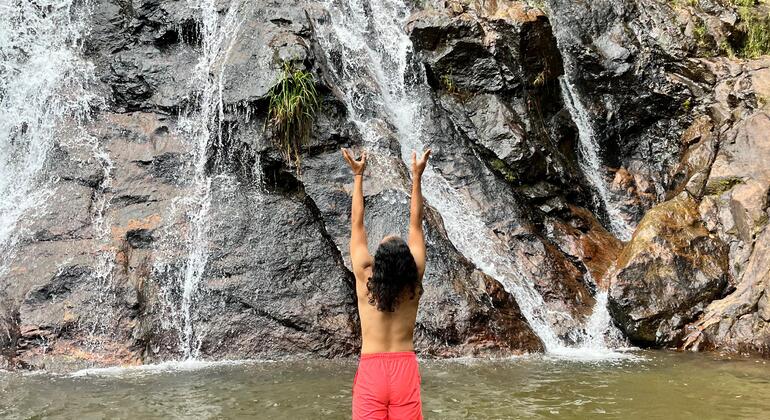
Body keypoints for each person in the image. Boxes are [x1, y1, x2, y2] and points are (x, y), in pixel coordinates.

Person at [341, 147, 432, 420]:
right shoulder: (413, 282)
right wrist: (416, 177)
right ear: (406, 261)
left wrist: (358, 176)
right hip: (404, 368)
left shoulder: (364, 277)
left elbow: (357, 225)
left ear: (377, 260)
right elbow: (416, 225)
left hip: (372, 369)